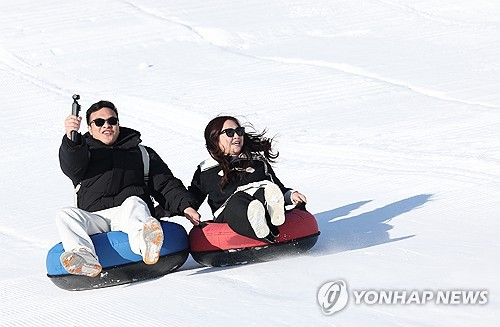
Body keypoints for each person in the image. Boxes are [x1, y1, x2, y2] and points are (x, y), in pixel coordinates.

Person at [56, 100, 200, 277]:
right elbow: (71, 164)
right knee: (65, 214)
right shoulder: (82, 153)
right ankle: (83, 257)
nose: (106, 126)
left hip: (127, 215)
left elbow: (164, 184)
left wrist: (185, 205)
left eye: (112, 121)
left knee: (134, 202)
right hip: (96, 219)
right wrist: (72, 139)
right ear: (90, 127)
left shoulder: (141, 153)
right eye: (99, 122)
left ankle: (146, 244)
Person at [188, 116, 307, 242]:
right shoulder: (206, 170)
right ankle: (254, 215)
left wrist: (290, 195)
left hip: (262, 203)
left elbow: (277, 186)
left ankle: (273, 215)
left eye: (239, 131)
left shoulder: (256, 161)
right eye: (229, 133)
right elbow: (193, 195)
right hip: (231, 212)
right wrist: (187, 208)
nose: (236, 136)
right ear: (215, 138)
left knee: (267, 189)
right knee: (238, 199)